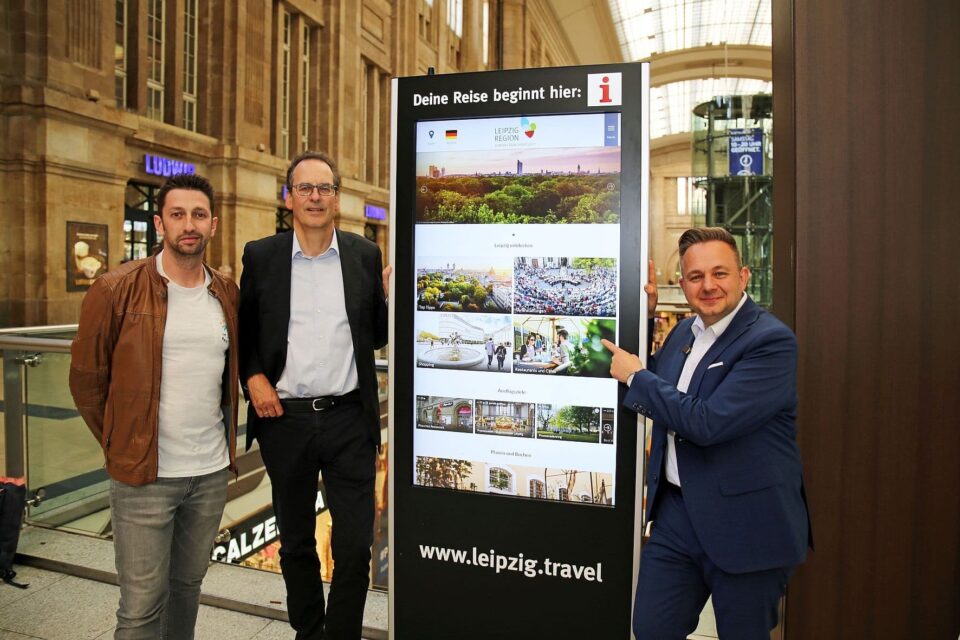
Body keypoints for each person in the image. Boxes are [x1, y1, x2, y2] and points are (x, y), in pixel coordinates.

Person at [602, 228, 811, 639]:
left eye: (720, 273)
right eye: (695, 276)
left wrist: (638, 377)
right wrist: (643, 316)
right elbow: (650, 382)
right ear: (682, 284)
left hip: (748, 526)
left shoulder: (771, 341)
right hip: (676, 517)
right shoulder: (684, 332)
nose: (709, 285)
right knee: (651, 629)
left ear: (743, 276)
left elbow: (708, 422)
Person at [69, 173, 239, 639]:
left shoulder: (224, 292)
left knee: (187, 587)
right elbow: (86, 382)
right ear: (160, 222)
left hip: (207, 474)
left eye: (199, 215)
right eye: (178, 214)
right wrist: (125, 442)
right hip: (145, 476)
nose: (190, 224)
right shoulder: (115, 288)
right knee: (141, 607)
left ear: (214, 224)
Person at [238, 150, 389, 640]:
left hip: (349, 418)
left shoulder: (364, 256)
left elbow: (377, 336)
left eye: (324, 188)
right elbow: (245, 333)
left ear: (337, 198)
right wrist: (253, 377)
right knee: (297, 542)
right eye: (305, 188)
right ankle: (309, 630)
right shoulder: (262, 256)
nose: (315, 197)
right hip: (287, 420)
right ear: (289, 198)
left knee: (354, 545)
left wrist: (392, 297)